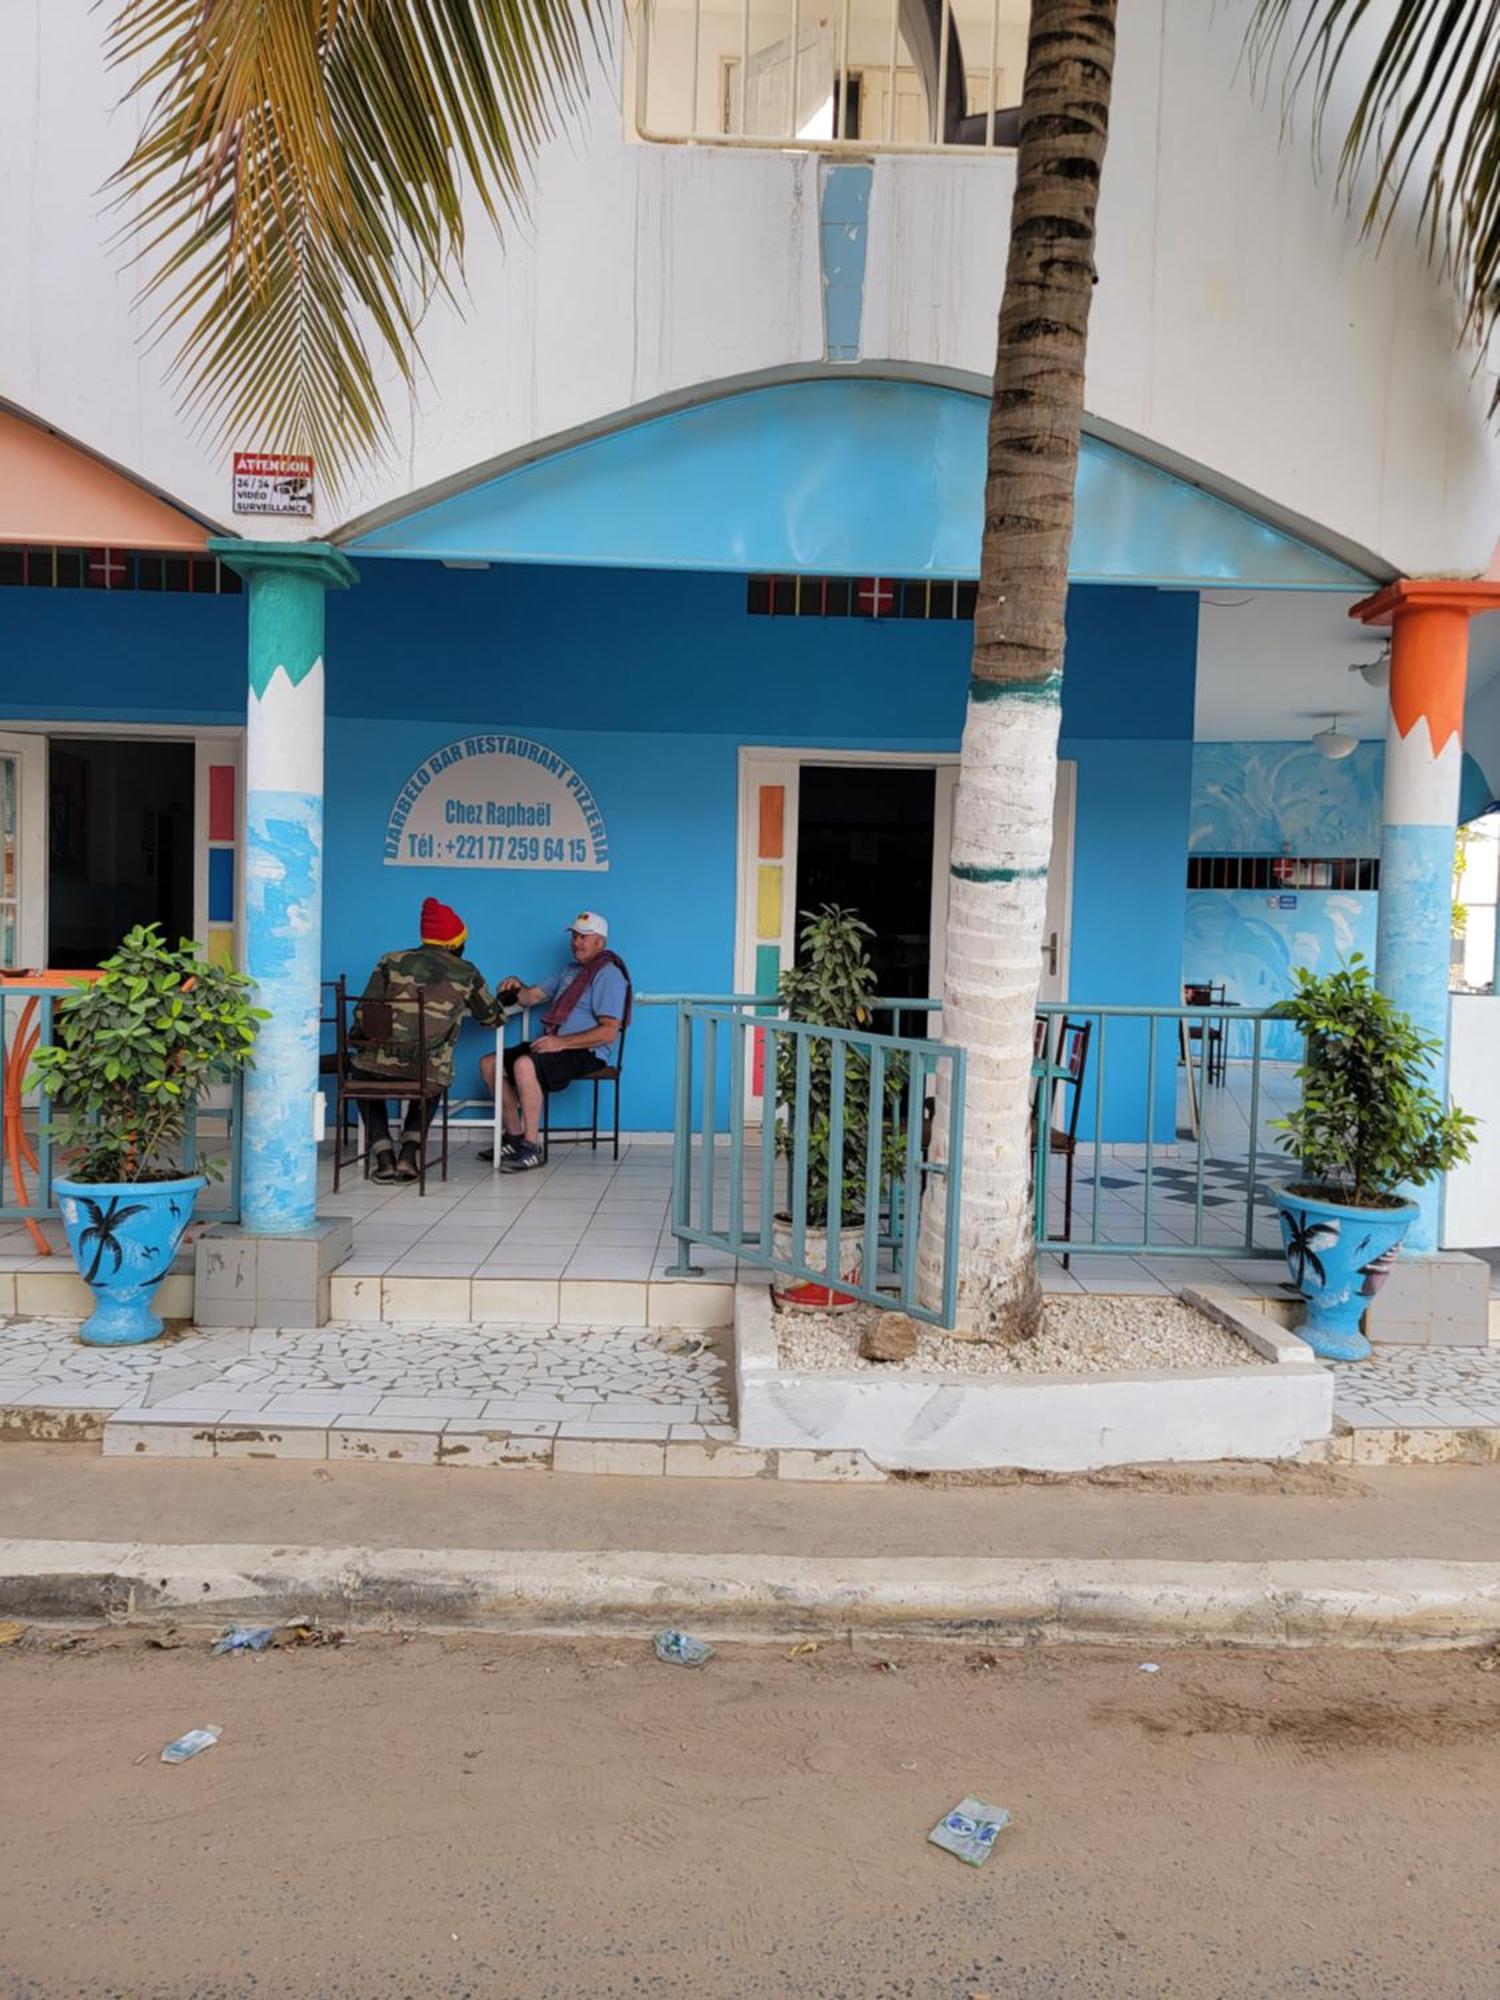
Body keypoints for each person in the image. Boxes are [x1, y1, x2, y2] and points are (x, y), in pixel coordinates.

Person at [351, 898, 503, 1184]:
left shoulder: (390, 961)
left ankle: (384, 1158)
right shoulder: (466, 971)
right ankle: (409, 1154)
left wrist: (362, 1045)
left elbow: (363, 1013)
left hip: (378, 1066)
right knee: (433, 1076)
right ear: (454, 943)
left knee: (363, 1072)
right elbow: (492, 1018)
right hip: (426, 1073)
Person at [478, 911, 631, 1172]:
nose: (576, 942)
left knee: (525, 1064)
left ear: (600, 942)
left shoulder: (608, 974)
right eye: (574, 936)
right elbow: (530, 997)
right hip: (554, 1045)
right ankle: (514, 1138)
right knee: (490, 1063)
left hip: (587, 1051)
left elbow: (608, 1032)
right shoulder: (569, 971)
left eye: (584, 937)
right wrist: (516, 986)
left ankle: (531, 1147)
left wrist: (560, 1043)